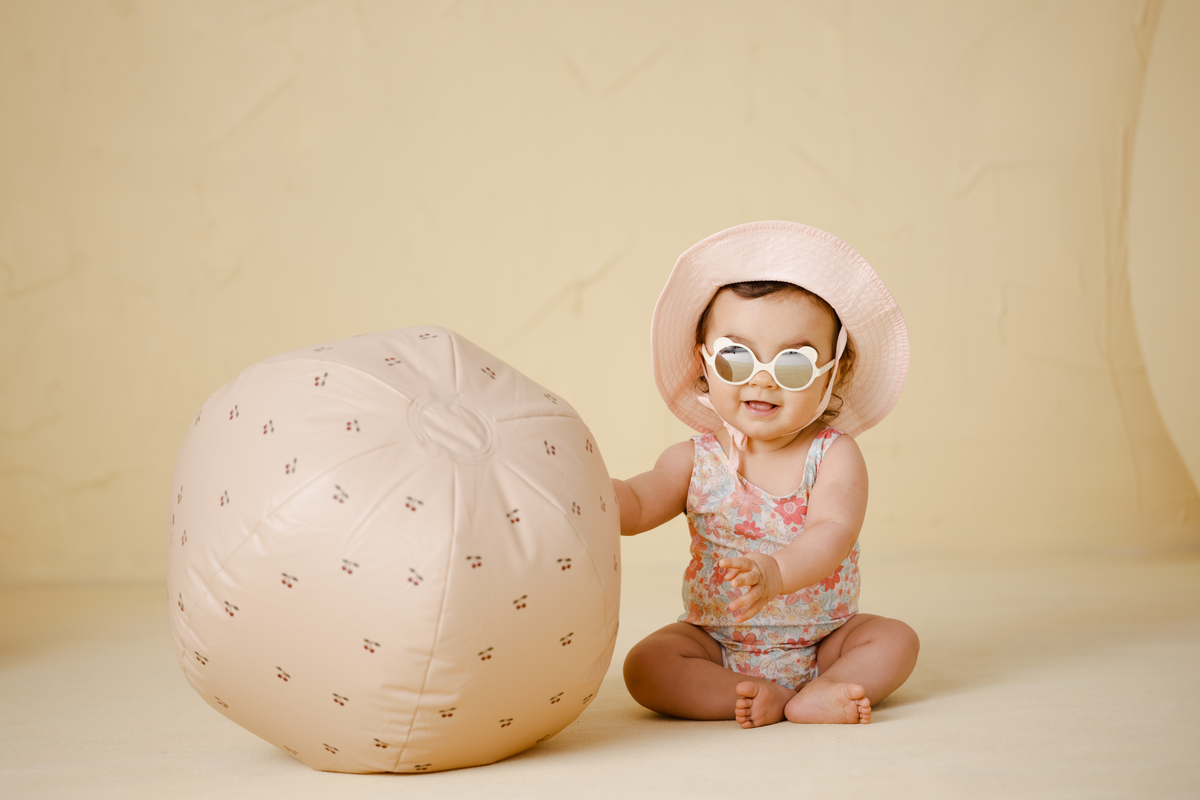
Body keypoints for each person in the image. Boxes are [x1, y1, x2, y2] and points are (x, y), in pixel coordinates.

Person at [613, 221, 919, 727]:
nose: (762, 379)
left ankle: (824, 687)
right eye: (736, 356)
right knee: (647, 664)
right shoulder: (694, 459)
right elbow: (637, 503)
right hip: (716, 640)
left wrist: (775, 573)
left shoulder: (833, 454)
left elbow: (833, 530)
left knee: (894, 639)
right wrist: (590, 494)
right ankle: (752, 693)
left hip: (825, 641)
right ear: (703, 363)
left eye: (793, 364)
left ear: (833, 373)